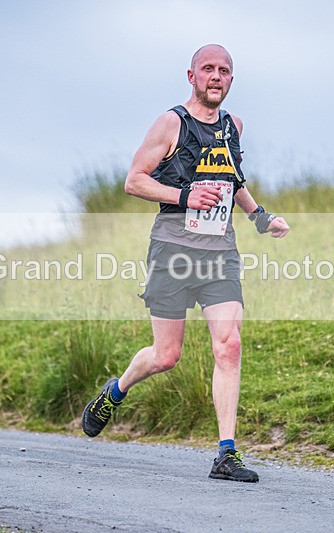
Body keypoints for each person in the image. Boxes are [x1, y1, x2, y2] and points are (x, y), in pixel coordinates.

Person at [81, 44, 290, 483]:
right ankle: (115, 391)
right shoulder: (171, 122)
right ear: (192, 76)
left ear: (232, 80)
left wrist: (260, 218)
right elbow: (133, 180)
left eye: (225, 71)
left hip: (220, 253)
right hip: (173, 250)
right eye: (208, 69)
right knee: (166, 355)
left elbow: (233, 180)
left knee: (228, 343)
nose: (216, 76)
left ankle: (226, 454)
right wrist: (183, 195)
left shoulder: (234, 126)